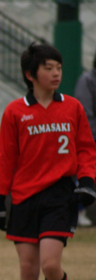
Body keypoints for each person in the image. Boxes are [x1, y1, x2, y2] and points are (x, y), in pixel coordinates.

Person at [0, 42, 96, 280]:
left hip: (59, 197)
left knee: (50, 264)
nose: (55, 73)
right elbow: (6, 158)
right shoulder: (15, 111)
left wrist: (88, 181)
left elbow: (86, 149)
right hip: (24, 198)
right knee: (27, 269)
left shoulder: (73, 107)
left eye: (58, 68)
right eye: (48, 68)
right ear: (30, 74)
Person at [74, 50, 96, 226]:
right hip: (91, 137)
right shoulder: (87, 81)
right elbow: (85, 114)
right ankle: (78, 210)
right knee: (83, 175)